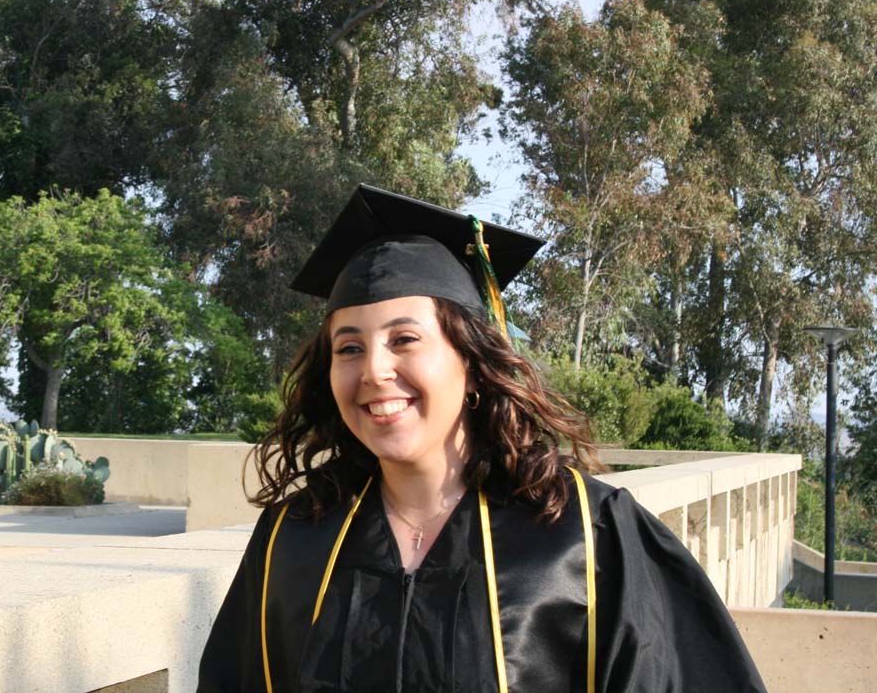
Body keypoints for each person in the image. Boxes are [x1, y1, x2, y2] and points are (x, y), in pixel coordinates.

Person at [198, 184, 767, 692]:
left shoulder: (582, 535)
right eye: (349, 347)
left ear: (470, 361)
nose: (373, 371)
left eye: (404, 340)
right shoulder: (292, 540)